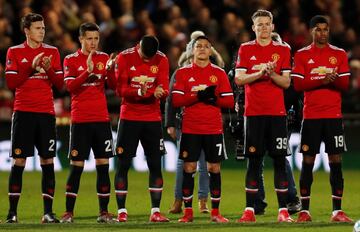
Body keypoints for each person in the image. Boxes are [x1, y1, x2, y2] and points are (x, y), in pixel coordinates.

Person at [292, 15, 353, 223]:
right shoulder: (302, 55)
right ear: (311, 31)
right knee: (308, 162)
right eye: (318, 29)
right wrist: (323, 80)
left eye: (325, 29)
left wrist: (331, 81)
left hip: (333, 116)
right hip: (311, 117)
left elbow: (345, 85)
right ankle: (304, 211)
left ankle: (337, 211)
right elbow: (298, 86)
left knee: (336, 161)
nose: (322, 33)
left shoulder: (339, 54)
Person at [235, 10, 293, 223]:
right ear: (253, 28)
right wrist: (260, 74)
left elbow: (286, 83)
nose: (264, 28)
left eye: (267, 24)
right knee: (253, 162)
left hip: (276, 114)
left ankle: (283, 211)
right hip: (253, 113)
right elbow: (239, 80)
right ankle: (249, 210)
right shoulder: (245, 49)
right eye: (260, 25)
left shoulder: (283, 50)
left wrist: (272, 74)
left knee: (279, 161)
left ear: (273, 26)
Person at [4, 13, 63, 223]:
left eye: (43, 28)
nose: (42, 31)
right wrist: (31, 67)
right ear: (27, 31)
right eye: (38, 28)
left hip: (46, 114)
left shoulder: (53, 52)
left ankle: (48, 213)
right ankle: (12, 213)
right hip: (23, 112)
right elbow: (11, 84)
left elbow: (61, 84)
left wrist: (47, 68)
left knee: (47, 160)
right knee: (19, 160)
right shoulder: (15, 52)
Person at [172, 35, 234, 223]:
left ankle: (215, 212)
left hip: (213, 129)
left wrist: (214, 99)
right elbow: (176, 100)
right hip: (190, 129)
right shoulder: (182, 73)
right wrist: (198, 97)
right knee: (189, 168)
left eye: (206, 46)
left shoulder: (219, 74)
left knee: (214, 168)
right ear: (192, 50)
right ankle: (188, 212)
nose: (202, 49)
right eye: (198, 46)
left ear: (210, 51)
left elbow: (229, 101)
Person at [59, 22, 117, 223]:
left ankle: (103, 212)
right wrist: (87, 71)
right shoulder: (71, 60)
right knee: (77, 166)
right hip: (80, 120)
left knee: (103, 165)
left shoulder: (103, 58)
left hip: (101, 119)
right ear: (81, 39)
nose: (93, 43)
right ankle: (68, 212)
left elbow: (114, 86)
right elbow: (70, 87)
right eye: (89, 38)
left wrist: (111, 71)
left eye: (96, 39)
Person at [114, 35, 170, 223]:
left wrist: (161, 92)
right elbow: (120, 89)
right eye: (145, 57)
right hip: (129, 116)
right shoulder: (124, 57)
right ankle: (122, 211)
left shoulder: (161, 59)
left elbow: (164, 86)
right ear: (138, 48)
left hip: (152, 118)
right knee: (123, 164)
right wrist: (140, 92)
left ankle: (155, 211)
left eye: (150, 58)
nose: (148, 61)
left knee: (155, 165)